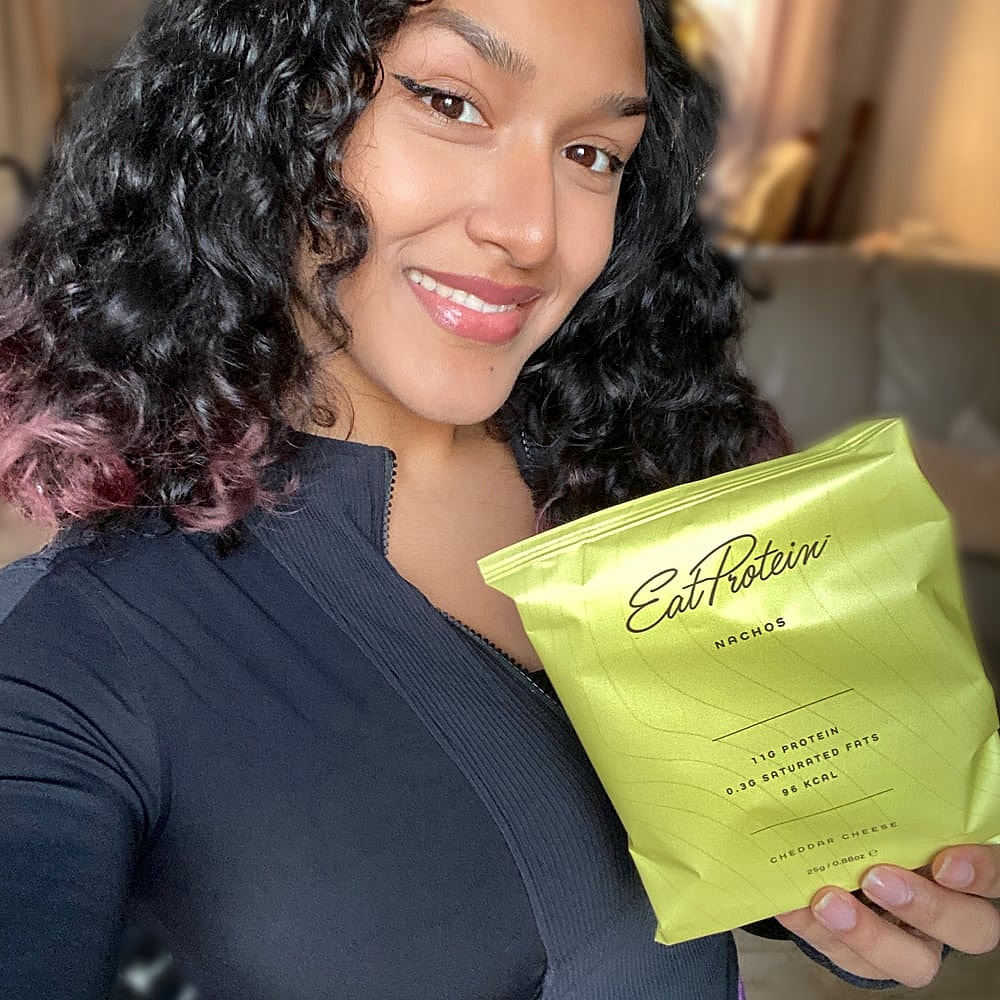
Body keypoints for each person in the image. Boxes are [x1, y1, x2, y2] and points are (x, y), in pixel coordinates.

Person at [1, 1, 997, 998]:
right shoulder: (64, 656)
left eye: (592, 154)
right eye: (451, 103)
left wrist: (856, 885)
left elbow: (779, 820)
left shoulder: (650, 469)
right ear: (263, 104)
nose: (533, 232)